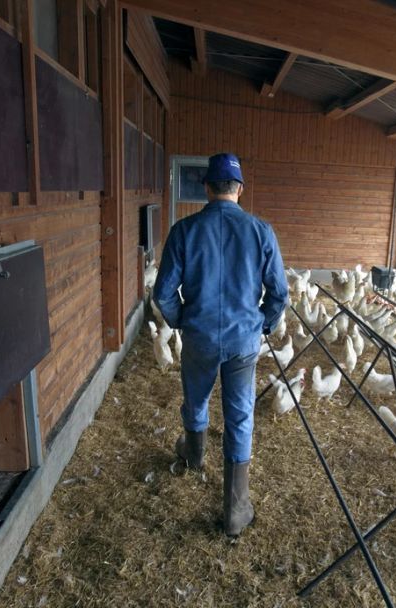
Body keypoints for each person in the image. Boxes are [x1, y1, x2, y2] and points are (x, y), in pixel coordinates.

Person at [153, 153, 288, 537]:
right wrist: (261, 325)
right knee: (240, 414)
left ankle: (194, 456)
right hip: (244, 341)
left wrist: (181, 321)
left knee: (196, 399)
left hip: (199, 336)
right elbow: (279, 294)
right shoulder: (262, 231)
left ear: (207, 188)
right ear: (240, 189)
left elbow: (163, 294)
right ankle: (235, 508)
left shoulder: (184, 230)